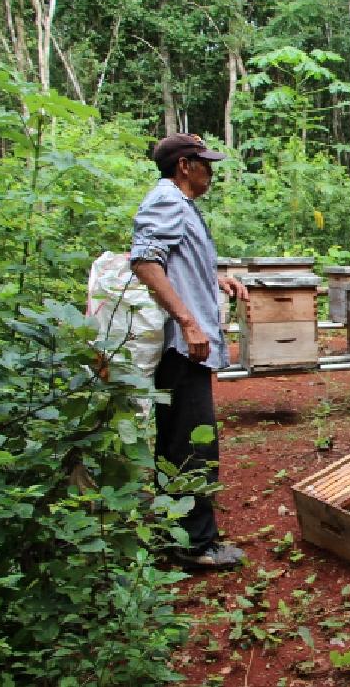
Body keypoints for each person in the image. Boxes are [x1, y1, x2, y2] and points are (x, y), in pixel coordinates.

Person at [131, 133, 248, 569]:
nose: (210, 171)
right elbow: (146, 261)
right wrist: (188, 321)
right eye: (205, 163)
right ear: (185, 165)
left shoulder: (179, 203)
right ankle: (196, 546)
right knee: (194, 445)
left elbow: (173, 261)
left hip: (184, 347)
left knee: (177, 440)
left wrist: (214, 279)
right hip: (184, 348)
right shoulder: (167, 199)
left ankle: (172, 532)